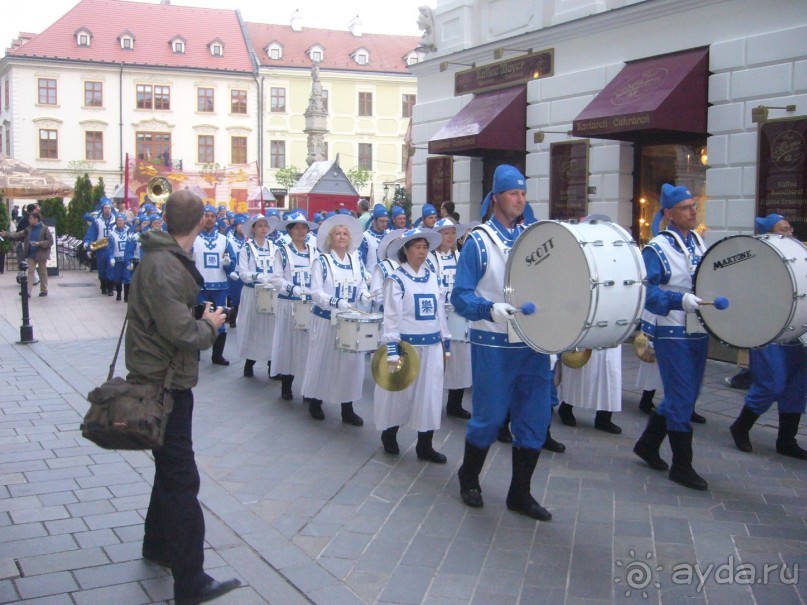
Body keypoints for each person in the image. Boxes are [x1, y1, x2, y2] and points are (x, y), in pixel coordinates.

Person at [125, 189, 240, 605]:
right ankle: (190, 581)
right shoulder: (164, 266)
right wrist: (209, 324)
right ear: (201, 220)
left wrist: (197, 316)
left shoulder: (163, 257)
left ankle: (156, 545)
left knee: (167, 468)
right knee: (181, 478)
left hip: (162, 379)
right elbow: (181, 333)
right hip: (165, 386)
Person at [451, 164, 553, 521]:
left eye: (524, 193)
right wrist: (489, 308)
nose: (520, 199)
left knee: (535, 418)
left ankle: (520, 494)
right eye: (514, 193)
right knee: (490, 418)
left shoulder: (534, 238)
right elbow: (460, 297)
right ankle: (469, 476)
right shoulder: (478, 242)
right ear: (496, 198)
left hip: (533, 343)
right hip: (493, 341)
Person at [633, 183, 709, 490]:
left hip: (698, 327)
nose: (693, 211)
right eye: (686, 207)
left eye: (693, 206)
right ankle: (682, 465)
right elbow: (646, 292)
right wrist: (678, 300)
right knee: (680, 396)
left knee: (689, 393)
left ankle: (648, 444)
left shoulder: (700, 243)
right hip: (672, 328)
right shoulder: (657, 248)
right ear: (668, 214)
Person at [730, 214, 807, 459]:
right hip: (768, 332)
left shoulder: (799, 258)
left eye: (790, 228)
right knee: (772, 383)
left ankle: (786, 439)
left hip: (796, 331)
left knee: (798, 384)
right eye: (783, 230)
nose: (790, 234)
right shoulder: (755, 262)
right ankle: (741, 426)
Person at [375, 227, 450, 462]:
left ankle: (425, 444)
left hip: (432, 345)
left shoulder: (433, 278)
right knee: (399, 393)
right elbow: (392, 317)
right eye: (417, 247)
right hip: (406, 347)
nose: (422, 252)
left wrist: (445, 343)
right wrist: (392, 349)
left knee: (430, 394)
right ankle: (390, 434)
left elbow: (440, 313)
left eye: (425, 247)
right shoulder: (396, 279)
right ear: (405, 251)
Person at [300, 213, 371, 424]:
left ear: (350, 238)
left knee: (349, 364)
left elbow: (361, 285)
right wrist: (334, 302)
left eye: (345, 233)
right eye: (337, 234)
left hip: (349, 320)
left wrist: (364, 294)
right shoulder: (321, 261)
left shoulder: (356, 260)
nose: (341, 237)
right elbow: (316, 292)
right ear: (330, 239)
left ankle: (347, 407)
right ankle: (316, 400)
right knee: (323, 360)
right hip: (325, 320)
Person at [270, 210, 319, 400]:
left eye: (303, 227)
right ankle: (286, 384)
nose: (300, 231)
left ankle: (309, 388)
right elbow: (276, 279)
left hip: (310, 306)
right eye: (296, 227)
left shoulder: (316, 252)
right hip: (289, 304)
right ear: (290, 230)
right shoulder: (281, 252)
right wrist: (293, 289)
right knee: (288, 344)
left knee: (309, 347)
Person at [427, 217, 472, 419]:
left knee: (460, 359)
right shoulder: (429, 258)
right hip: (437, 315)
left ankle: (455, 403)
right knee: (437, 360)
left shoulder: (460, 256)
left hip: (457, 315)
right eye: (446, 233)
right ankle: (431, 402)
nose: (450, 237)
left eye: (453, 233)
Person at [236, 214, 280, 378]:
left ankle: (271, 364)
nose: (263, 228)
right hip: (253, 293)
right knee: (252, 327)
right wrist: (257, 277)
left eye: (265, 225)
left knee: (271, 328)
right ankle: (250, 361)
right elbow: (243, 273)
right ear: (253, 228)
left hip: (271, 293)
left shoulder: (274, 248)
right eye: (259, 225)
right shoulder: (246, 248)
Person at [193, 206, 236, 366]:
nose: (210, 219)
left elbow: (231, 264)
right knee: (197, 320)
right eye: (206, 216)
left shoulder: (224, 240)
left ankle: (217, 355)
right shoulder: (194, 240)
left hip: (219, 287)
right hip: (200, 288)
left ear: (216, 218)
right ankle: (194, 353)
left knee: (221, 320)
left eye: (212, 216)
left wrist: (228, 264)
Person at [557, 347, 623, 434]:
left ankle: (604, 418)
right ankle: (566, 408)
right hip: (587, 338)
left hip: (612, 338)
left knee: (609, 374)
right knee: (581, 373)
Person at [1, 210, 53, 297]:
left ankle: (44, 290)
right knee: (30, 272)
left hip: (41, 254)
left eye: (31, 218)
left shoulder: (44, 229)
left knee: (42, 272)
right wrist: (6, 234)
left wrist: (39, 243)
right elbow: (17, 234)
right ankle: (27, 292)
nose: (29, 220)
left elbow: (50, 241)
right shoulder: (28, 229)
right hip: (31, 254)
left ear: (36, 219)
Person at [84, 199, 116, 296]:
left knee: (111, 268)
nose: (107, 210)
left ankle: (110, 288)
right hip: (101, 246)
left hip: (112, 247)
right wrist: (88, 244)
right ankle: (103, 286)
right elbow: (92, 233)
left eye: (109, 208)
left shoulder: (116, 220)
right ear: (102, 209)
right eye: (105, 208)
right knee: (102, 269)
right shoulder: (97, 221)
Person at [106, 213, 132, 302]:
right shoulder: (112, 234)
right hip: (117, 258)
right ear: (116, 222)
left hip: (127, 259)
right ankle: (119, 294)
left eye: (122, 220)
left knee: (127, 277)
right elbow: (110, 248)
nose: (120, 222)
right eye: (118, 221)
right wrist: (111, 257)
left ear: (125, 221)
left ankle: (126, 296)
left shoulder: (129, 231)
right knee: (118, 278)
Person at [359, 204, 389, 276]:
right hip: (372, 280)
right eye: (382, 221)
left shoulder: (389, 235)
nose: (385, 224)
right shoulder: (365, 237)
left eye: (386, 221)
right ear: (374, 220)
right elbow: (361, 262)